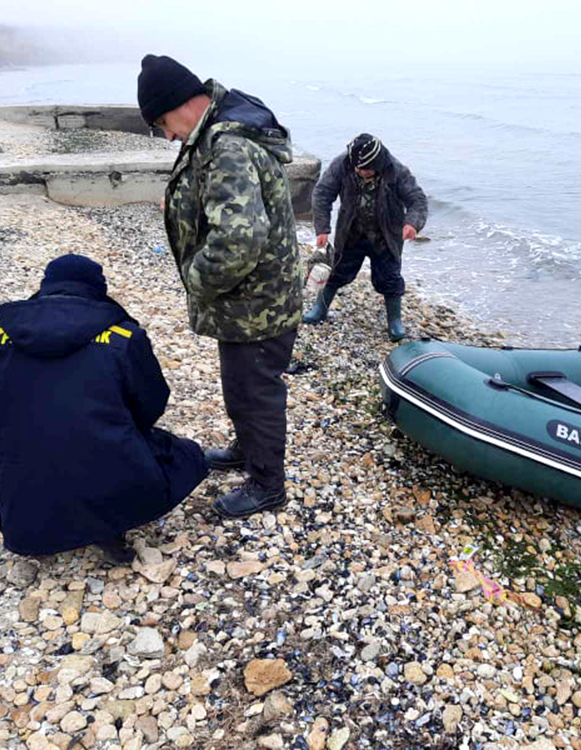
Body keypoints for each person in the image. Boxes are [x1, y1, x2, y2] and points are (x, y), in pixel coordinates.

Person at [0, 254, 209, 563]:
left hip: (25, 501)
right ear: (98, 289)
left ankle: (44, 519)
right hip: (107, 473)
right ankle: (110, 524)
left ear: (46, 286)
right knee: (186, 456)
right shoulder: (124, 337)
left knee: (32, 456)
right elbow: (150, 406)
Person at [137, 54, 302, 518]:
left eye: (162, 123)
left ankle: (268, 484)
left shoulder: (227, 145)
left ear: (180, 103)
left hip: (258, 305)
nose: (168, 136)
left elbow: (239, 240)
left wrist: (196, 281)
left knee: (256, 392)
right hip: (247, 302)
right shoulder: (216, 132)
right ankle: (248, 451)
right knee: (240, 386)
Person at [305, 133, 428, 341]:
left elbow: (417, 200)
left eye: (367, 169)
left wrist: (412, 223)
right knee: (336, 271)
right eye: (358, 168)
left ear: (378, 165)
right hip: (351, 231)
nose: (361, 171)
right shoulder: (342, 164)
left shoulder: (396, 170)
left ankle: (395, 321)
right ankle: (320, 308)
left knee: (390, 277)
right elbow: (322, 194)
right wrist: (322, 229)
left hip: (386, 234)